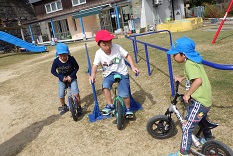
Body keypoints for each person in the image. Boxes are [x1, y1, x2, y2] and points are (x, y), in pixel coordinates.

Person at [167, 37, 212, 156]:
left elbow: (198, 80)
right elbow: (194, 75)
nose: (173, 57)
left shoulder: (189, 65)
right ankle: (208, 141)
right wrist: (182, 78)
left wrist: (187, 94)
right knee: (203, 122)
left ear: (183, 54)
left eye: (175, 54)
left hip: (199, 101)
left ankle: (183, 153)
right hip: (206, 99)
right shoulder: (194, 60)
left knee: (186, 127)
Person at [89, 30, 139, 117]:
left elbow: (127, 55)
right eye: (104, 44)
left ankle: (128, 108)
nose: (108, 46)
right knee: (105, 85)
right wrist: (93, 74)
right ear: (99, 45)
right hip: (109, 73)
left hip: (122, 72)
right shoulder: (98, 53)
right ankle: (110, 105)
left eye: (109, 43)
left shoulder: (117, 47)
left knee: (124, 93)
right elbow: (95, 65)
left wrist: (133, 66)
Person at [51, 43, 82, 115]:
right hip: (62, 80)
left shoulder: (71, 59)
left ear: (67, 53)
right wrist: (61, 77)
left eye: (64, 55)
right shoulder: (56, 61)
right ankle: (64, 106)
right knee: (61, 94)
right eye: (60, 55)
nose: (63, 57)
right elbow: (52, 71)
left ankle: (79, 107)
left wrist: (71, 76)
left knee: (76, 94)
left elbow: (76, 67)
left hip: (72, 78)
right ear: (57, 54)